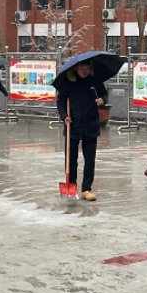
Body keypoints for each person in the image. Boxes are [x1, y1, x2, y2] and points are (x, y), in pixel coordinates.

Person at [56, 61, 104, 201]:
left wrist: (102, 100)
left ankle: (87, 188)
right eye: (81, 68)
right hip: (73, 125)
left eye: (87, 68)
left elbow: (104, 96)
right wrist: (64, 116)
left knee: (90, 159)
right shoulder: (68, 82)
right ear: (76, 68)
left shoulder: (95, 81)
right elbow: (61, 100)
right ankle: (71, 186)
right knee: (71, 159)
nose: (84, 71)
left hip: (91, 124)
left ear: (90, 68)